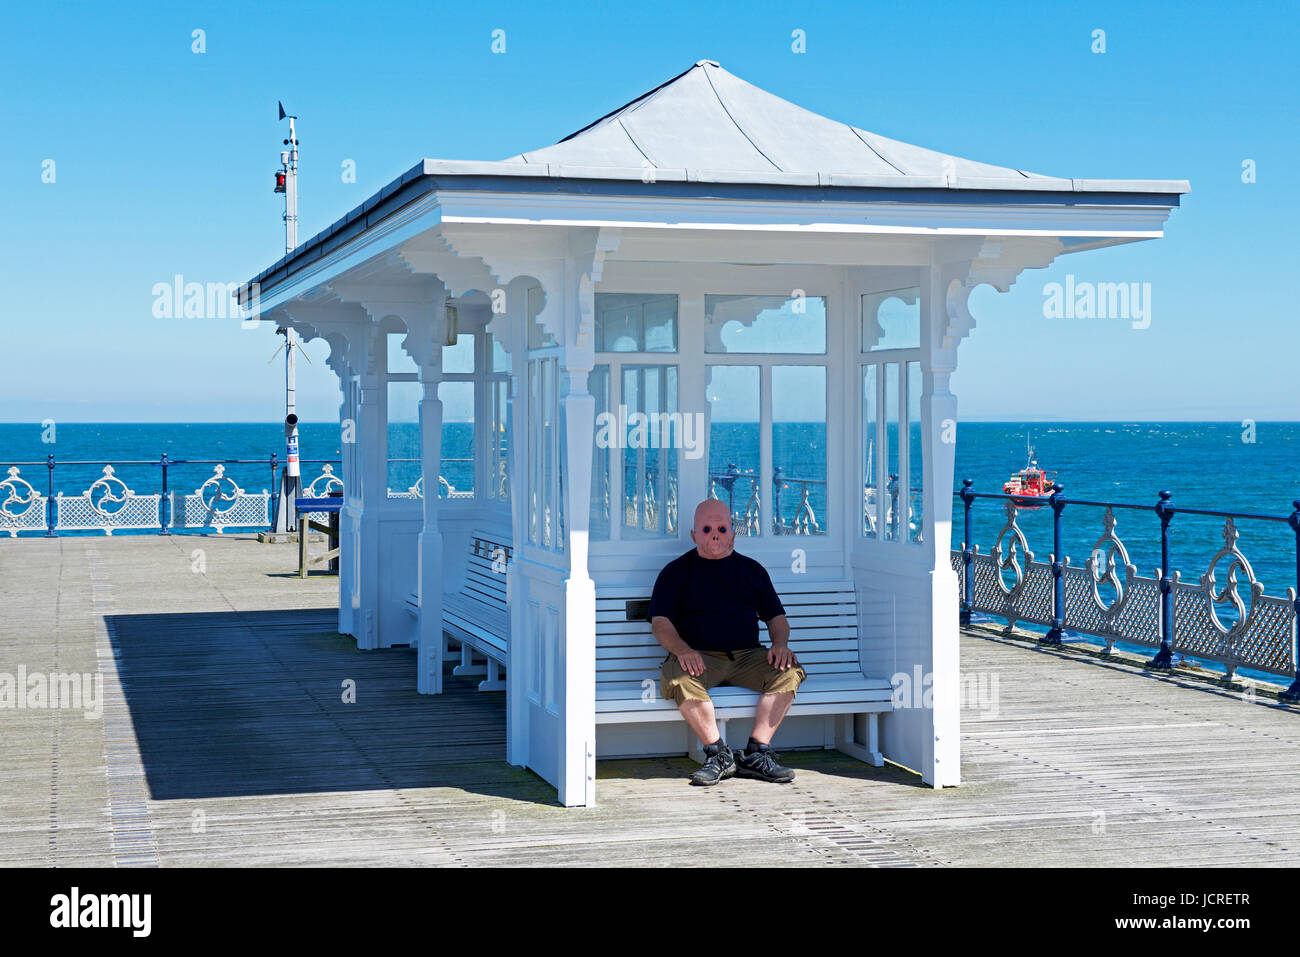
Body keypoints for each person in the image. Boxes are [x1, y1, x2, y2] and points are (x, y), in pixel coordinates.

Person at [649, 498, 806, 786]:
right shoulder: (675, 572)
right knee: (677, 678)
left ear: (733, 532)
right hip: (699, 658)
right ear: (694, 534)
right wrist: (683, 650)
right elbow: (660, 623)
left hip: (747, 657)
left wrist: (780, 644)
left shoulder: (751, 570)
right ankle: (718, 755)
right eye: (707, 529)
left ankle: (757, 753)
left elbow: (776, 619)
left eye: (721, 528)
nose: (715, 534)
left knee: (789, 671)